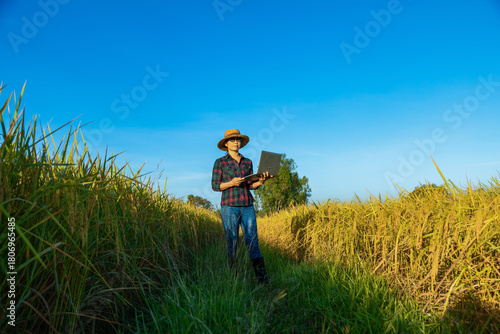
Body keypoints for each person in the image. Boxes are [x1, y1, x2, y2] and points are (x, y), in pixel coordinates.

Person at [211, 129, 272, 284]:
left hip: (247, 206)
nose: (236, 142)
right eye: (232, 140)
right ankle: (233, 279)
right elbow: (215, 185)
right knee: (232, 241)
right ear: (226, 143)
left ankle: (262, 280)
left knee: (253, 241)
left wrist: (261, 181)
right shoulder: (220, 162)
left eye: (238, 140)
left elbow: (251, 185)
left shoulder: (247, 162)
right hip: (229, 207)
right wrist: (231, 183)